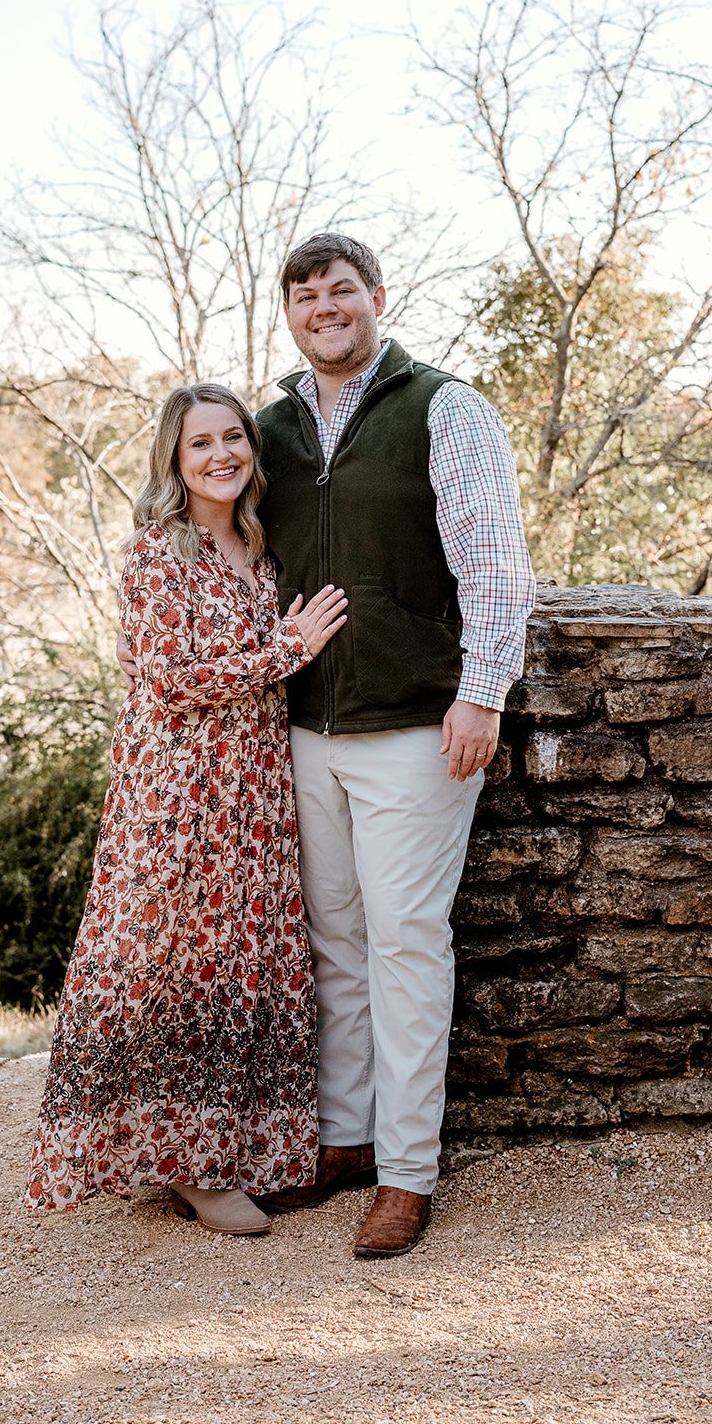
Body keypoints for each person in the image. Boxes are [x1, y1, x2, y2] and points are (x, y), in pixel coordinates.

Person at [248, 232, 537, 1257]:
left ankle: (407, 1172)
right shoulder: (268, 427)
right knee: (333, 939)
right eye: (303, 295)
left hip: (418, 725)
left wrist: (482, 692)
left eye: (340, 291)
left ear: (375, 296)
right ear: (287, 313)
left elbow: (492, 560)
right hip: (304, 728)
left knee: (406, 942)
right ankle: (347, 1136)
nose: (323, 307)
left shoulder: (443, 408)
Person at [25, 382, 347, 1236]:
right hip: (177, 796)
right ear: (174, 457)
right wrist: (287, 649)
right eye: (200, 443)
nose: (221, 455)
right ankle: (185, 1162)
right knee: (172, 962)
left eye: (233, 438)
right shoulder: (156, 555)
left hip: (255, 790)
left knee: (245, 964)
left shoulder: (261, 552)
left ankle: (241, 1146)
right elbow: (168, 682)